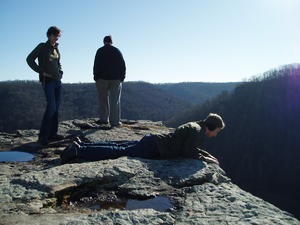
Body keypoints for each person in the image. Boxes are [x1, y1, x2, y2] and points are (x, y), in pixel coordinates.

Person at [61, 113, 225, 164]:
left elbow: (191, 147)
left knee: (120, 145)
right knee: (118, 151)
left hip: (153, 140)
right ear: (210, 126)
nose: (215, 134)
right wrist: (207, 159)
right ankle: (78, 150)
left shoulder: (195, 125)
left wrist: (206, 154)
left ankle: (81, 145)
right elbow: (188, 152)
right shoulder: (197, 132)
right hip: (155, 147)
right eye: (216, 131)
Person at [26, 26, 64, 145]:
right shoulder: (42, 47)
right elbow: (29, 59)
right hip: (47, 81)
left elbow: (58, 63)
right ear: (50, 35)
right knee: (51, 107)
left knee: (56, 108)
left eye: (58, 36)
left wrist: (61, 72)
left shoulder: (56, 48)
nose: (57, 38)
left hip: (58, 81)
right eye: (56, 36)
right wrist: (41, 71)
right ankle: (43, 136)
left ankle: (53, 133)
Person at [93, 35, 126, 127]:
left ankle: (104, 119)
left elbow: (96, 65)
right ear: (111, 42)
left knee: (103, 100)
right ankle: (115, 122)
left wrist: (96, 77)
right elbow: (122, 65)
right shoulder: (117, 51)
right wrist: (122, 77)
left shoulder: (100, 51)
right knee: (115, 101)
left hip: (102, 79)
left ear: (104, 42)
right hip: (116, 79)